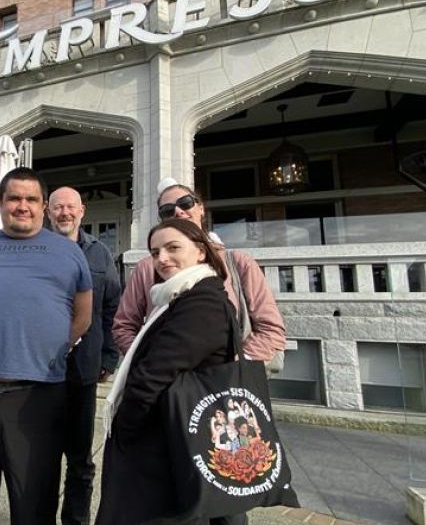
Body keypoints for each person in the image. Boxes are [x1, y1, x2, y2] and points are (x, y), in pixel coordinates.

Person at [0, 168, 93, 525]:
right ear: (0, 203)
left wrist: (48, 348)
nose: (22, 206)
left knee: (33, 505)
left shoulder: (69, 252)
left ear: (44, 206)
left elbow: (84, 316)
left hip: (36, 396)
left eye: (31, 199)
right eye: (14, 198)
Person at [97, 218, 246, 525]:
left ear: (201, 252)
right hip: (168, 441)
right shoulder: (179, 297)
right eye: (155, 252)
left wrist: (125, 428)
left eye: (173, 247)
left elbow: (153, 375)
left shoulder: (202, 302)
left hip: (167, 446)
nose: (162, 258)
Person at [112, 182, 285, 366]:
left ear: (201, 208)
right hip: (166, 383)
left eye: (185, 203)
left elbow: (270, 329)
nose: (178, 211)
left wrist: (234, 368)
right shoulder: (147, 268)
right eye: (167, 210)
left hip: (226, 382)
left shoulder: (238, 263)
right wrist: (148, 362)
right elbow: (124, 326)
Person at [46, 186, 120, 525]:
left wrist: (109, 357)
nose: (64, 213)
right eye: (58, 207)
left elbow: (112, 308)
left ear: (82, 211)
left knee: (79, 459)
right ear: (48, 211)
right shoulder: (36, 250)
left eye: (70, 207)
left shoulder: (101, 253)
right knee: (41, 457)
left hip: (84, 371)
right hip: (40, 372)